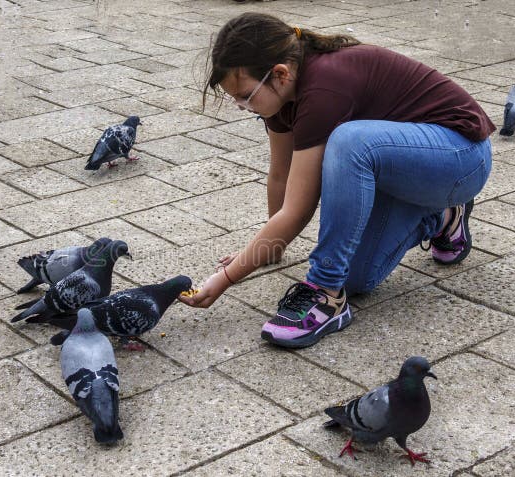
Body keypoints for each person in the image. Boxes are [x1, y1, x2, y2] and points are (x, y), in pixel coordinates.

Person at [178, 12, 495, 349]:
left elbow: (298, 210)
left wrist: (227, 278)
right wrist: (272, 248)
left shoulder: (324, 86)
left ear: (280, 75)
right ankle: (443, 217)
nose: (241, 106)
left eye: (244, 95)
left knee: (349, 143)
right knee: (356, 276)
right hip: (409, 169)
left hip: (462, 157)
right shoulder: (283, 97)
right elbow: (281, 177)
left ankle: (325, 295)